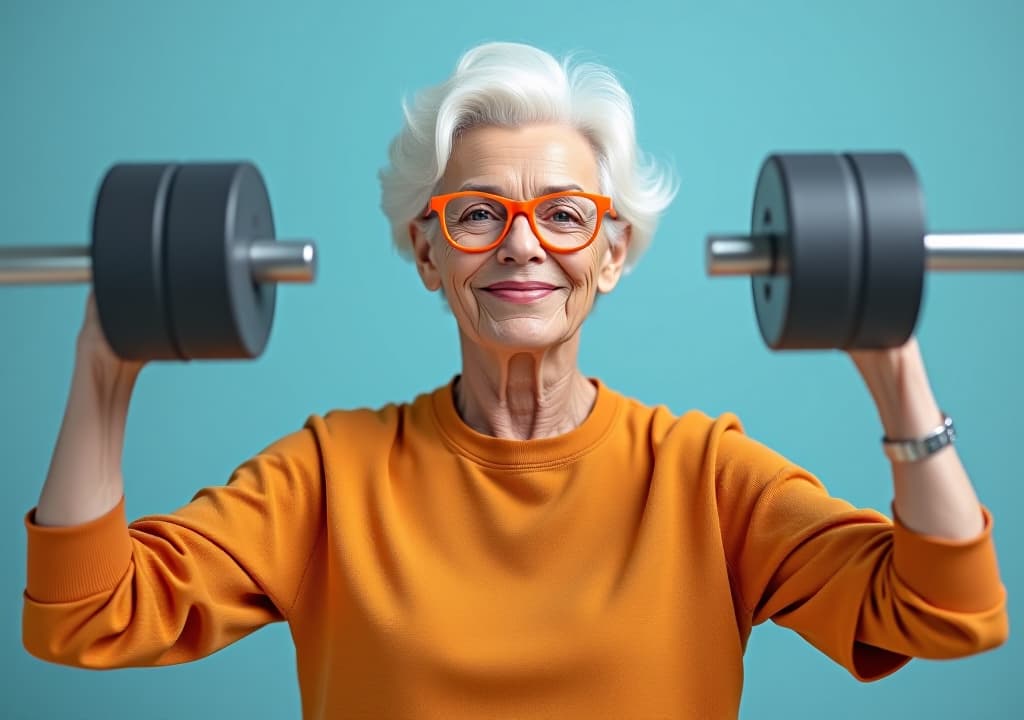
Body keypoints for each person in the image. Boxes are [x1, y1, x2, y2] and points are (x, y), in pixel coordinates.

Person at [22, 41, 1007, 719]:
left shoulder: (704, 477)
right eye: (478, 214)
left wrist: (894, 366)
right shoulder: (332, 475)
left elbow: (945, 615)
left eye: (566, 216)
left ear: (612, 252)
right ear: (427, 252)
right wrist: (104, 370)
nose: (522, 247)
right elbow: (85, 618)